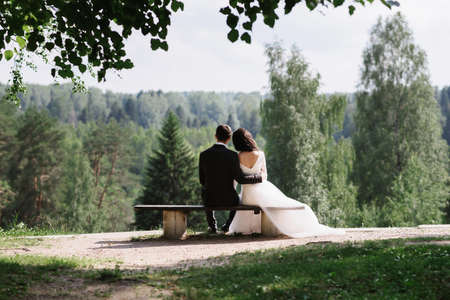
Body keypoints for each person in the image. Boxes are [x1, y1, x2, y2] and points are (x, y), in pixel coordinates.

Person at [228, 128, 345, 238]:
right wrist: (257, 178)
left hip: (247, 196)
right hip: (260, 189)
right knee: (279, 200)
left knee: (266, 201)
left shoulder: (237, 157)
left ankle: (253, 228)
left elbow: (236, 179)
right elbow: (265, 176)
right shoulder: (260, 154)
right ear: (249, 139)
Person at [199, 125, 264, 233]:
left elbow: (202, 181)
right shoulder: (232, 155)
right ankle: (228, 224)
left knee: (205, 192)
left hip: (209, 200)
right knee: (238, 199)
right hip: (229, 200)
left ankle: (212, 225)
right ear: (229, 139)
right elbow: (241, 179)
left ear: (215, 136)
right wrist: (259, 177)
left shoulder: (203, 155)